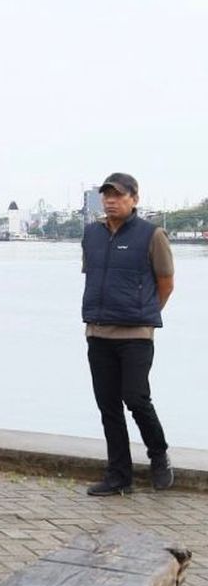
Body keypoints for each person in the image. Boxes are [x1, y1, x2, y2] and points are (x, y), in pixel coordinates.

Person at [82, 173, 175, 496]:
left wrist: (144, 314)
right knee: (108, 406)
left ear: (134, 198)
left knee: (135, 398)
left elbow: (166, 283)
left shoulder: (152, 235)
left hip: (136, 334)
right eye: (106, 195)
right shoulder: (91, 234)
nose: (111, 200)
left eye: (118, 195)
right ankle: (119, 476)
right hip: (98, 332)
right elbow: (91, 277)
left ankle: (158, 454)